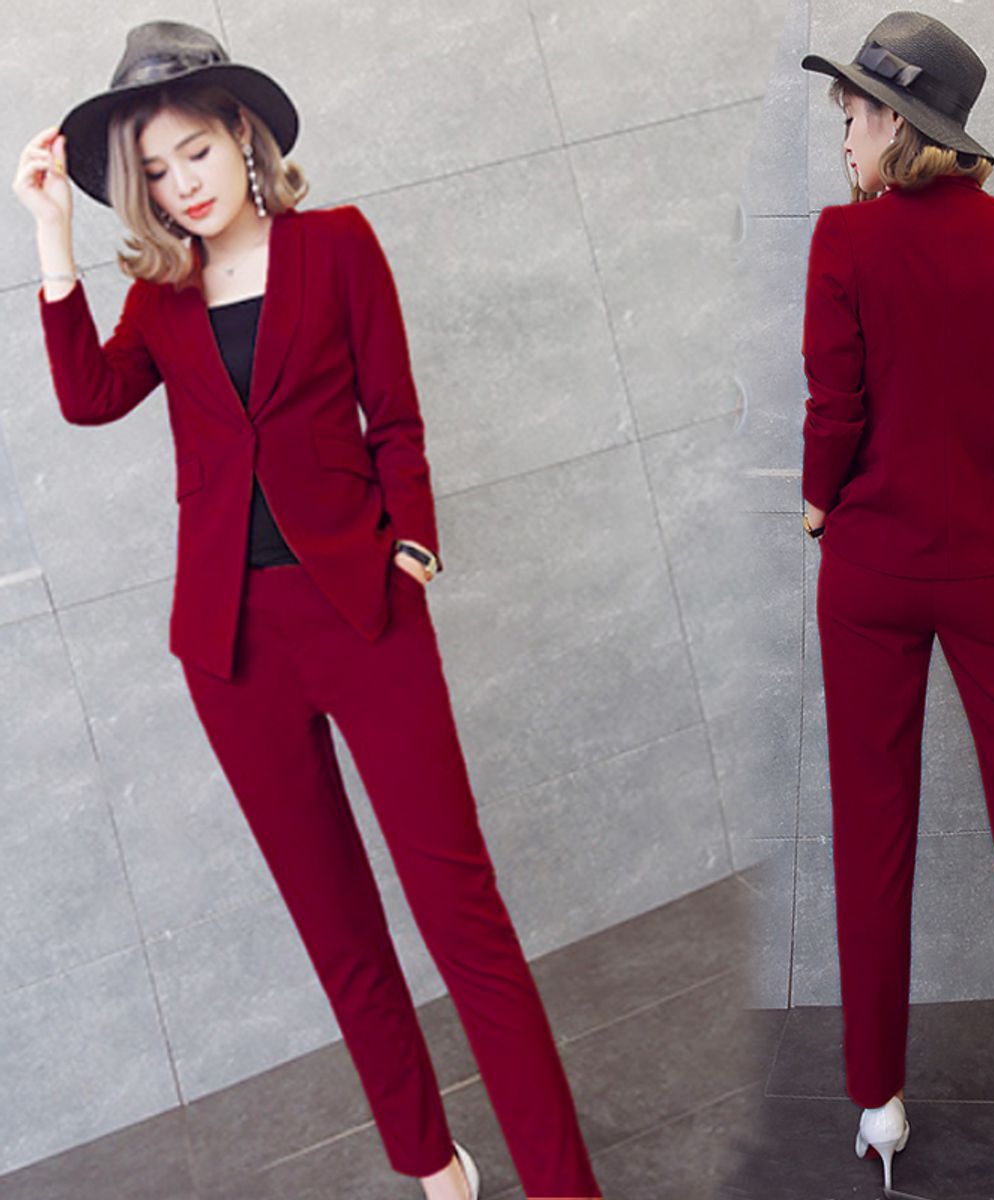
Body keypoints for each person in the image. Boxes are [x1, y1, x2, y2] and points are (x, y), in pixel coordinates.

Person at [12, 20, 602, 1200]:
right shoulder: (162, 296)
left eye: (195, 153)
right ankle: (430, 1164)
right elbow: (88, 398)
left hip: (364, 616)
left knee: (462, 917)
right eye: (156, 173)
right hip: (231, 650)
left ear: (243, 134)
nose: (182, 187)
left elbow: (396, 416)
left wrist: (411, 550)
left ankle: (562, 1184)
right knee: (340, 931)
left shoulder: (337, 246)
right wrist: (51, 237)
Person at [797, 12, 994, 1199]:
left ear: (896, 122)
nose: (844, 141)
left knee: (871, 827)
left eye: (852, 117)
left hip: (871, 571)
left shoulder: (844, 240)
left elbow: (834, 408)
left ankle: (878, 1100)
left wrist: (819, 510)